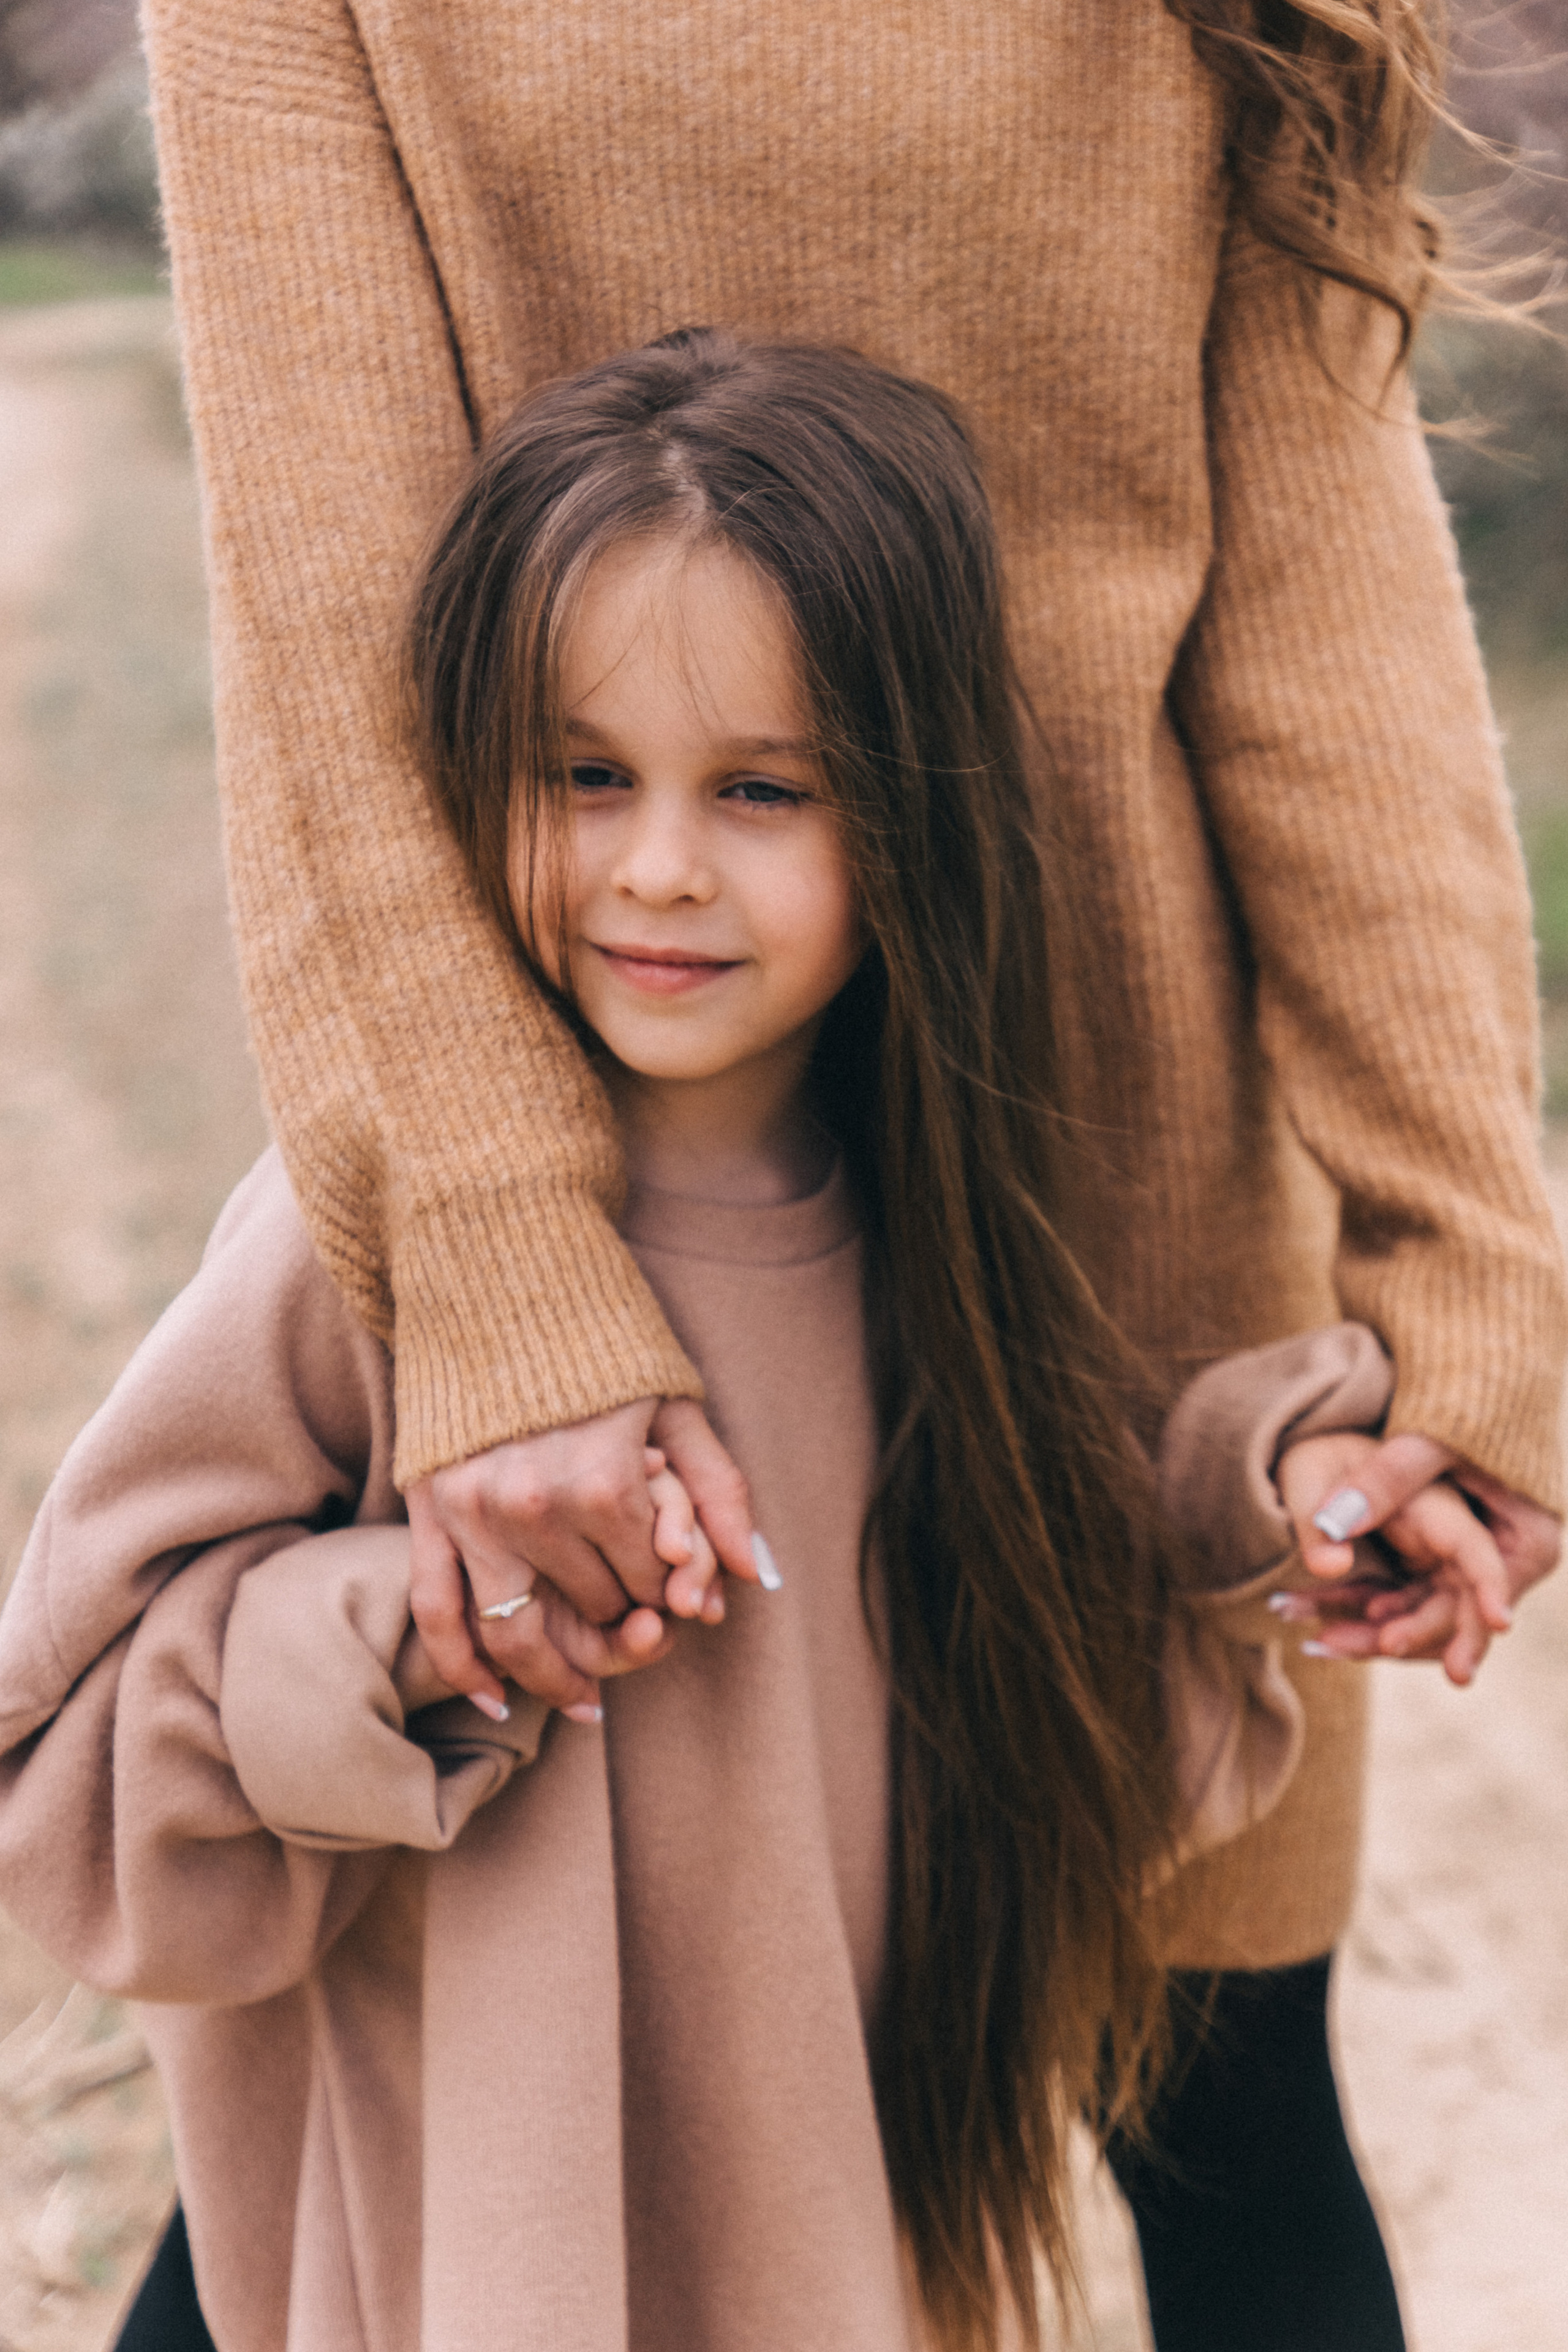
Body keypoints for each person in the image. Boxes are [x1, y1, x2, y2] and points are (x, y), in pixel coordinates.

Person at [114, 0, 1567, 2335]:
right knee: (461, 2081)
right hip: (593, 1169)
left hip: (1113, 1194)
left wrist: (1469, 1270)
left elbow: (1325, 617)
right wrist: (508, 1282)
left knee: (1227, 2114)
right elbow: (334, 611)